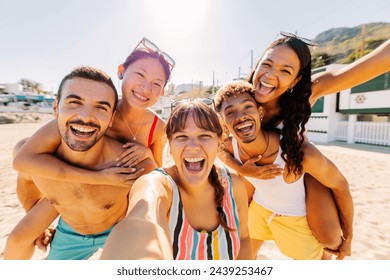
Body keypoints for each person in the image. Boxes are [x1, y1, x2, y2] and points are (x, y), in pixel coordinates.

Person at [220, 34, 389, 253]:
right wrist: (239, 168)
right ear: (258, 64)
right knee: (243, 232)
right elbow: (218, 143)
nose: (270, 76)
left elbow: (377, 61)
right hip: (261, 170)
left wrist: (349, 236)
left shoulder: (306, 94)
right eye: (267, 64)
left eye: (285, 71)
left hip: (299, 168)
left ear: (296, 80)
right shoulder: (239, 98)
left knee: (329, 237)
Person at [4, 66, 157, 260]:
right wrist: (38, 221)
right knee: (17, 240)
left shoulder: (127, 164)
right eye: (74, 102)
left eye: (101, 107)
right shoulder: (34, 157)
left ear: (111, 119)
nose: (85, 117)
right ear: (55, 108)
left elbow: (159, 200)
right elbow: (25, 180)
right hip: (70, 233)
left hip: (116, 230)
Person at [12, 37, 175, 211]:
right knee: (22, 147)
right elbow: (29, 155)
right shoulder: (97, 111)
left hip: (114, 195)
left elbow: (156, 174)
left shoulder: (158, 127)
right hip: (77, 178)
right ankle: (31, 211)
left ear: (163, 91)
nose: (146, 88)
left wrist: (148, 153)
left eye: (156, 83)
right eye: (140, 75)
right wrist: (98, 177)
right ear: (121, 71)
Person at [214, 80, 354, 260]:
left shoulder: (297, 153)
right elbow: (219, 149)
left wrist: (348, 237)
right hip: (260, 208)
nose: (240, 116)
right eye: (230, 112)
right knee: (241, 256)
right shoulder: (230, 144)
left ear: (260, 112)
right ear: (223, 122)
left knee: (322, 254)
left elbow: (341, 185)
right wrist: (241, 169)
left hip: (295, 217)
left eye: (248, 107)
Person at [100, 100, 252, 260]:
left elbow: (244, 238)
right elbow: (141, 221)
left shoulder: (233, 184)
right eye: (182, 137)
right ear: (170, 145)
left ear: (219, 141)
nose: (193, 146)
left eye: (204, 136)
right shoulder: (156, 184)